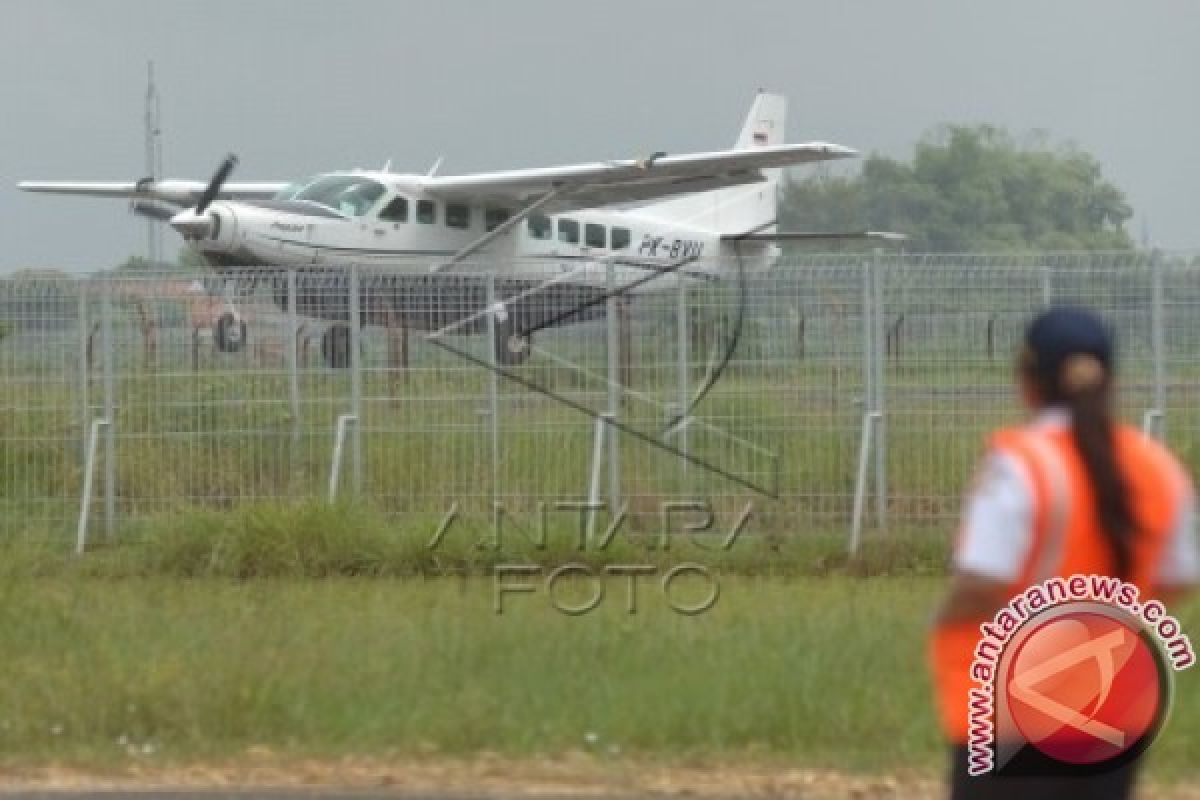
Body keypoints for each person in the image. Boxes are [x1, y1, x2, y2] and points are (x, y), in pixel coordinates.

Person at [928, 306, 1199, 800]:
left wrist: (940, 621)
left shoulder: (1022, 464)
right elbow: (1179, 575)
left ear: (1029, 381)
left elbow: (982, 580)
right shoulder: (1158, 466)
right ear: (1110, 380)